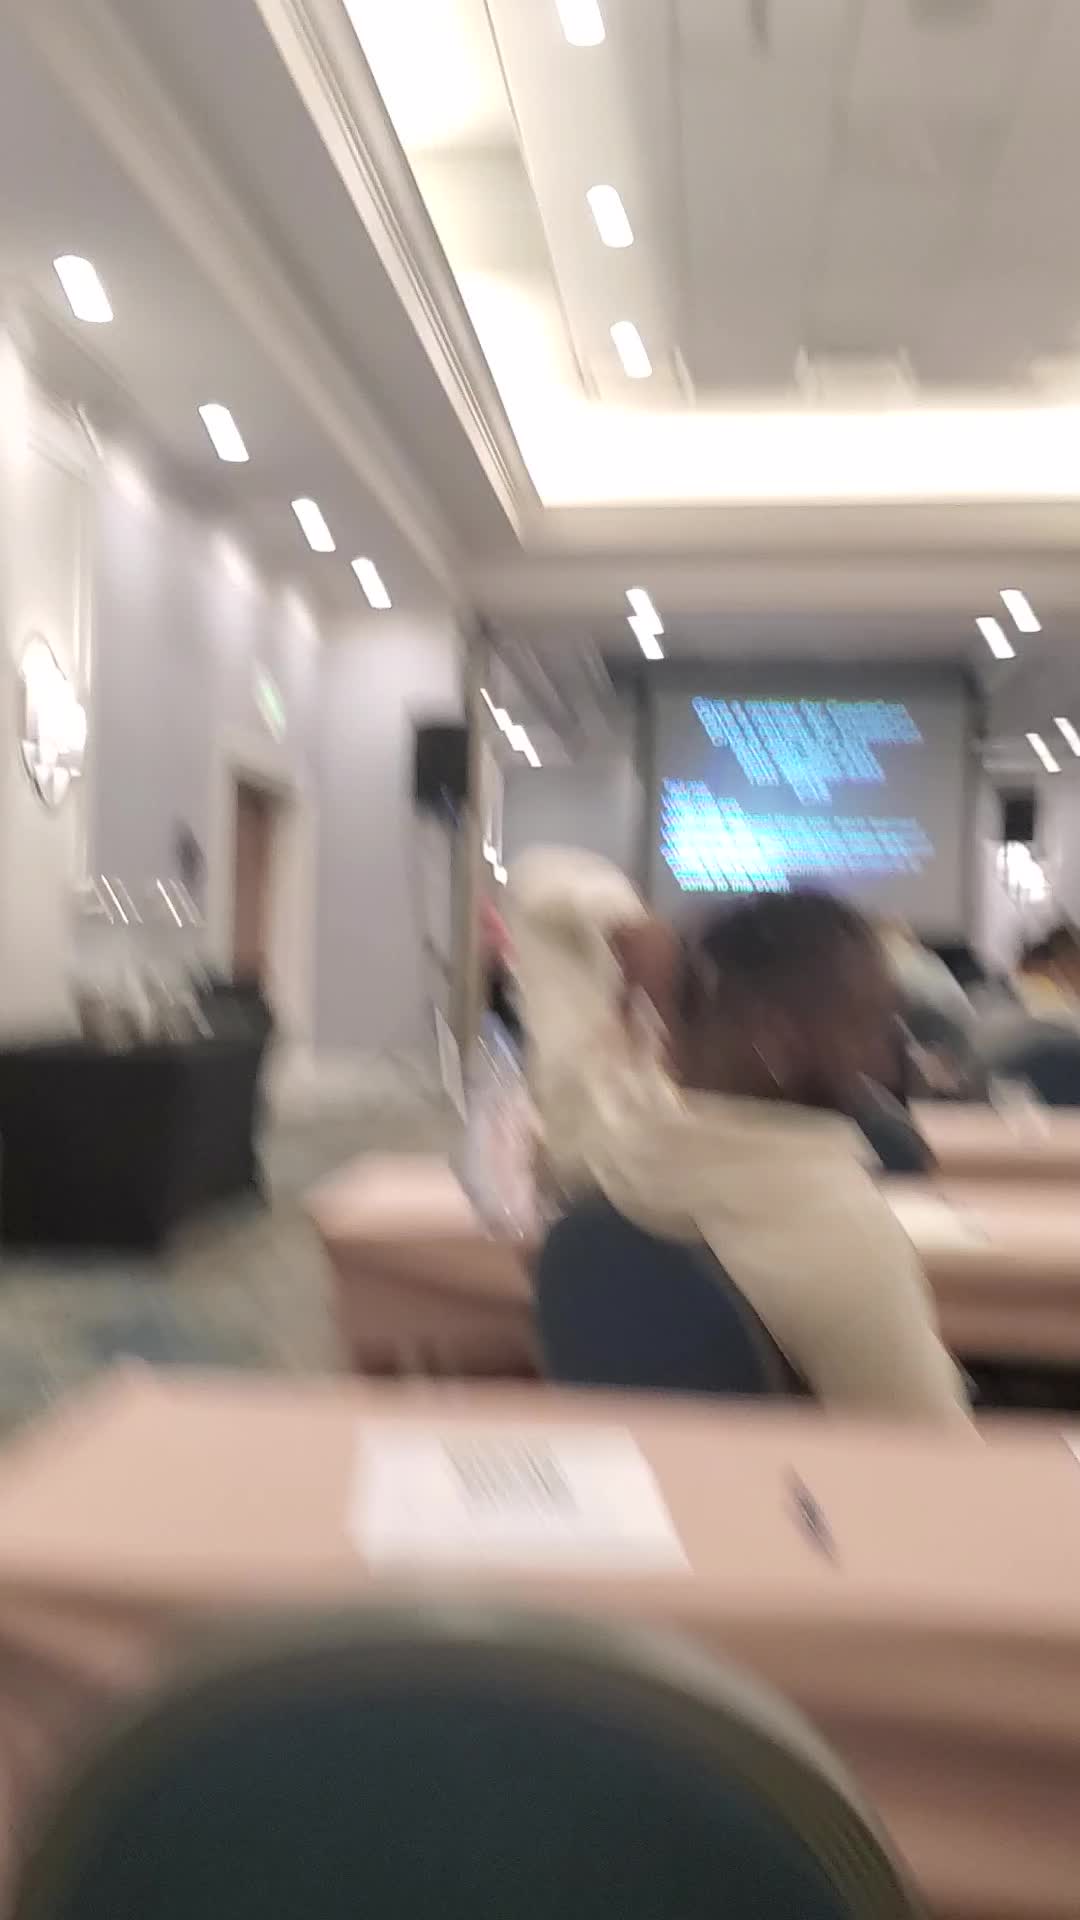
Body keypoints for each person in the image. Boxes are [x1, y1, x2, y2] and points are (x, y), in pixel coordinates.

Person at [583, 890, 970, 1424]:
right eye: (870, 1024)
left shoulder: (613, 1164)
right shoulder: (840, 1230)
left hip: (650, 1469)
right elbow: (930, 1454)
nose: (886, 1060)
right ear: (778, 1040)